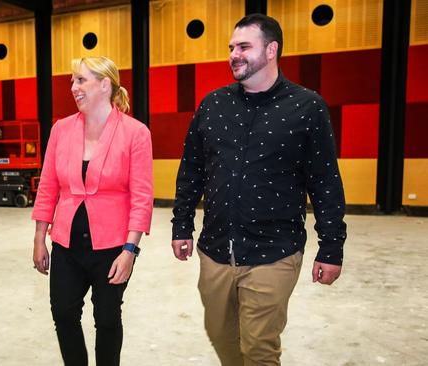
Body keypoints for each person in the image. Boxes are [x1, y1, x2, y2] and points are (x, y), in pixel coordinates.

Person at [171, 14, 347, 365]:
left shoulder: (307, 107)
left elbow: (325, 181)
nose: (234, 54)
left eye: (244, 47)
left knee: (259, 347)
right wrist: (181, 224)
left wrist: (331, 247)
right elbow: (191, 170)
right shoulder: (213, 105)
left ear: (271, 49)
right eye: (231, 47)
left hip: (274, 251)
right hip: (216, 249)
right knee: (222, 336)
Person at [32, 56, 153, 365]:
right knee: (63, 312)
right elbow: (48, 185)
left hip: (113, 246)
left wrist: (130, 250)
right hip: (66, 242)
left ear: (104, 84)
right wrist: (39, 237)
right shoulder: (61, 129)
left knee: (108, 318)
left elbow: (142, 196)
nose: (73, 87)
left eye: (81, 80)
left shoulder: (135, 133)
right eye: (73, 80)